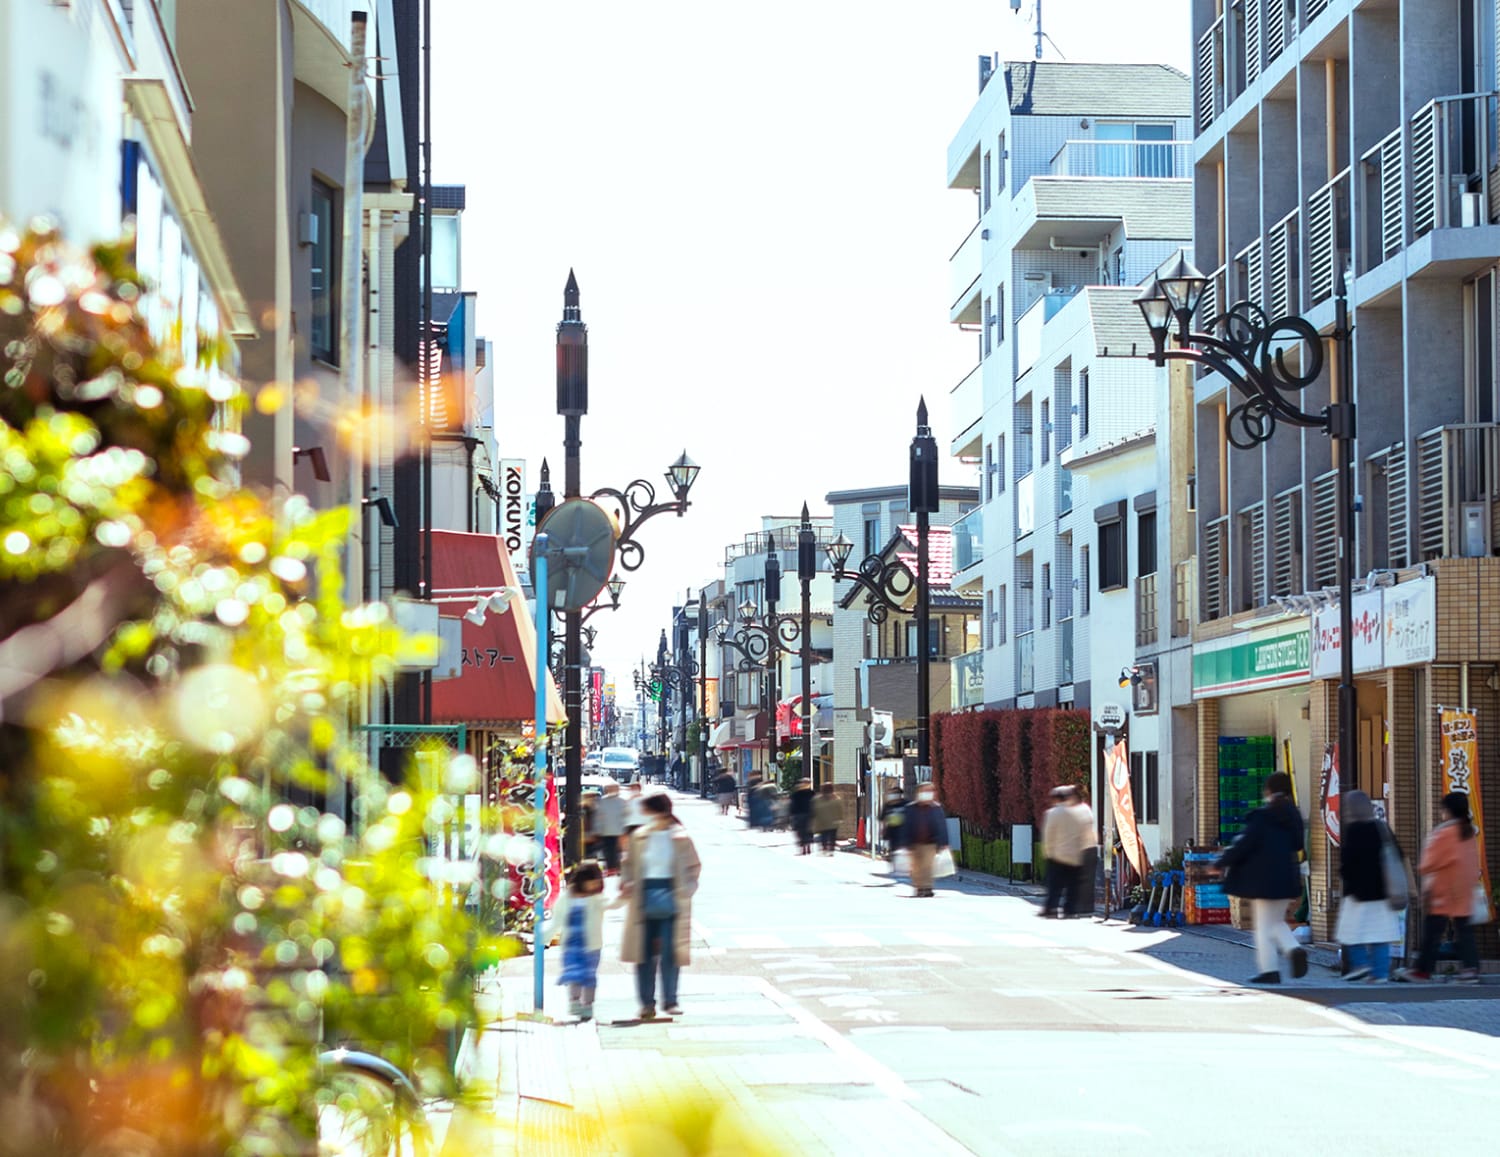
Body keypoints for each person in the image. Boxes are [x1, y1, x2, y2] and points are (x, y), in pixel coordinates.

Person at [1218, 771, 1307, 984]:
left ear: (1268, 790)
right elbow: (1297, 844)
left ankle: (1271, 969)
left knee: (1264, 927)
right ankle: (1293, 950)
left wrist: (1220, 863)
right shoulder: (1293, 815)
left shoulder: (1262, 816)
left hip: (1263, 881)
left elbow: (1243, 844)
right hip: (1287, 878)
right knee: (1275, 922)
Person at [620, 793, 702, 1019]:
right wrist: (627, 882)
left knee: (670, 952)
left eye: (647, 810)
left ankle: (670, 1000)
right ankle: (647, 1003)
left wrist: (687, 889)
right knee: (644, 953)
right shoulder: (639, 837)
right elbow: (627, 864)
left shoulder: (680, 837)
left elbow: (694, 866)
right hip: (643, 898)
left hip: (673, 898)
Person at [1403, 791, 1483, 983]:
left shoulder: (1444, 833)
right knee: (1464, 931)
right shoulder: (1468, 832)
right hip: (1463, 890)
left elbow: (1428, 863)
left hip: (1443, 891)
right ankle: (1471, 969)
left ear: (1448, 811)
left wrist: (1421, 867)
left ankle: (1422, 971)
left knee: (1432, 932)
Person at [1334, 790, 1404, 982]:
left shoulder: (1353, 830)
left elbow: (1347, 862)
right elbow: (1398, 854)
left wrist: (1346, 879)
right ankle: (1380, 973)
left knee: (1350, 933)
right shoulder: (1382, 828)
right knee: (1380, 935)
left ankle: (1361, 965)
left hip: (1357, 893)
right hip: (1383, 892)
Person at [546, 859, 606, 1020]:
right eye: (591, 883)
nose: (593, 887)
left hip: (591, 944)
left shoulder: (597, 898)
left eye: (596, 883)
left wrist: (624, 897)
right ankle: (574, 1002)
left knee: (589, 975)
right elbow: (556, 920)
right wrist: (544, 936)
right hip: (571, 944)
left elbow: (611, 904)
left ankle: (588, 1005)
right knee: (573, 973)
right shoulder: (566, 897)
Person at [1040, 786, 1097, 918]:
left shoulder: (1053, 813)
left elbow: (1048, 835)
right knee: (1073, 885)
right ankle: (1070, 909)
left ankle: (1051, 907)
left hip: (1058, 855)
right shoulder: (1081, 812)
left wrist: (1047, 852)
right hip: (1076, 855)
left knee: (1055, 885)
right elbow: (1086, 833)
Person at [901, 783, 950, 898]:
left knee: (928, 866)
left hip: (930, 843)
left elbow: (942, 826)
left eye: (930, 791)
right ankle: (919, 887)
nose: (927, 793)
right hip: (914, 843)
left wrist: (944, 843)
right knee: (916, 867)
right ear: (918, 793)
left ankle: (927, 888)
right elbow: (906, 826)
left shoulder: (936, 808)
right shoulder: (910, 808)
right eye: (924, 791)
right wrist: (904, 843)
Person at [592, 783, 627, 875]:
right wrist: (598, 830)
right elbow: (598, 818)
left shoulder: (622, 802)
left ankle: (616, 869)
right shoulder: (603, 802)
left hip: (618, 833)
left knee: (616, 853)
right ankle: (612, 869)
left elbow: (626, 818)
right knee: (609, 852)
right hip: (608, 832)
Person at [811, 783, 844, 855]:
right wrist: (840, 818)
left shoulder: (818, 799)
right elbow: (839, 809)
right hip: (833, 822)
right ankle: (831, 850)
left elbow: (815, 809)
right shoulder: (836, 798)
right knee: (832, 836)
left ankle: (824, 848)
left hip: (823, 822)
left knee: (824, 835)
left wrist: (814, 819)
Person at [788, 777, 816, 855]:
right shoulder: (796, 794)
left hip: (808, 814)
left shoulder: (812, 793)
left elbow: (815, 803)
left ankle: (808, 847)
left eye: (808, 783)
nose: (806, 785)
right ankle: (804, 847)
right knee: (801, 832)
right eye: (805, 783)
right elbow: (792, 805)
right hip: (799, 815)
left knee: (808, 831)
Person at [880, 786, 907, 858]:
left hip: (904, 835)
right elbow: (883, 820)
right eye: (892, 793)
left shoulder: (906, 804)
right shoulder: (887, 806)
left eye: (896, 793)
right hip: (891, 835)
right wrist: (883, 830)